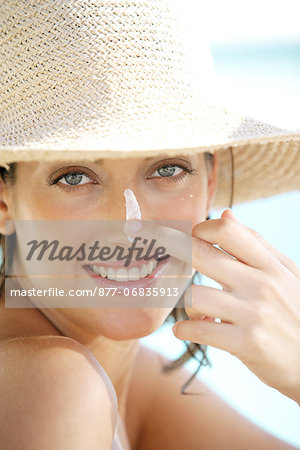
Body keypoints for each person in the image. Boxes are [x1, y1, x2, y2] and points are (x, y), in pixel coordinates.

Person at [0, 1, 299, 449]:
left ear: (211, 180)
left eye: (167, 170)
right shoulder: (54, 380)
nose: (132, 225)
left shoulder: (136, 379)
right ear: (4, 203)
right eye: (75, 177)